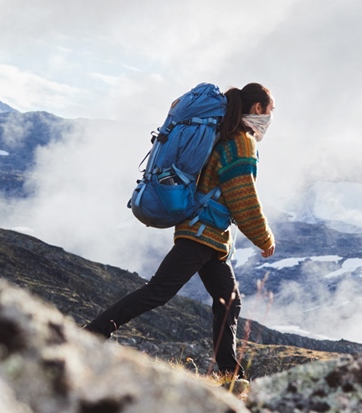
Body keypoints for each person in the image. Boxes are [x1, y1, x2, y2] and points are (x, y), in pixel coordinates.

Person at [84, 83, 276, 379]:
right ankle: (93, 333)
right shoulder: (240, 142)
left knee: (228, 300)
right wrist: (264, 238)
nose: (270, 118)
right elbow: (243, 197)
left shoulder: (226, 134)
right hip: (202, 234)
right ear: (259, 109)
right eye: (270, 111)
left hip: (207, 236)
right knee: (158, 292)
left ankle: (229, 374)